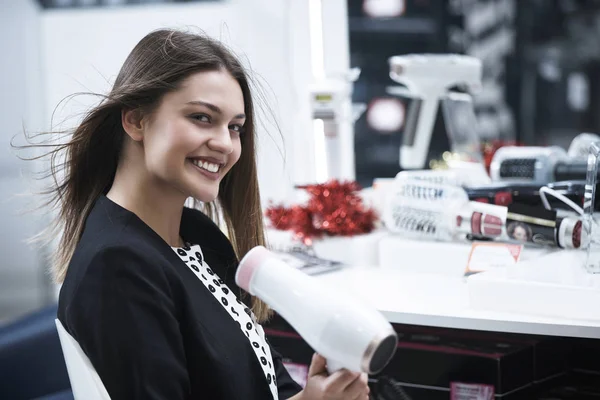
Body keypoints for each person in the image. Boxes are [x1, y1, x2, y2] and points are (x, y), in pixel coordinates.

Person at [37, 29, 370, 399]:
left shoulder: (199, 236)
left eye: (235, 127)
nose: (225, 144)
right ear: (135, 121)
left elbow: (268, 384)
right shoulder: (118, 267)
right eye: (201, 117)